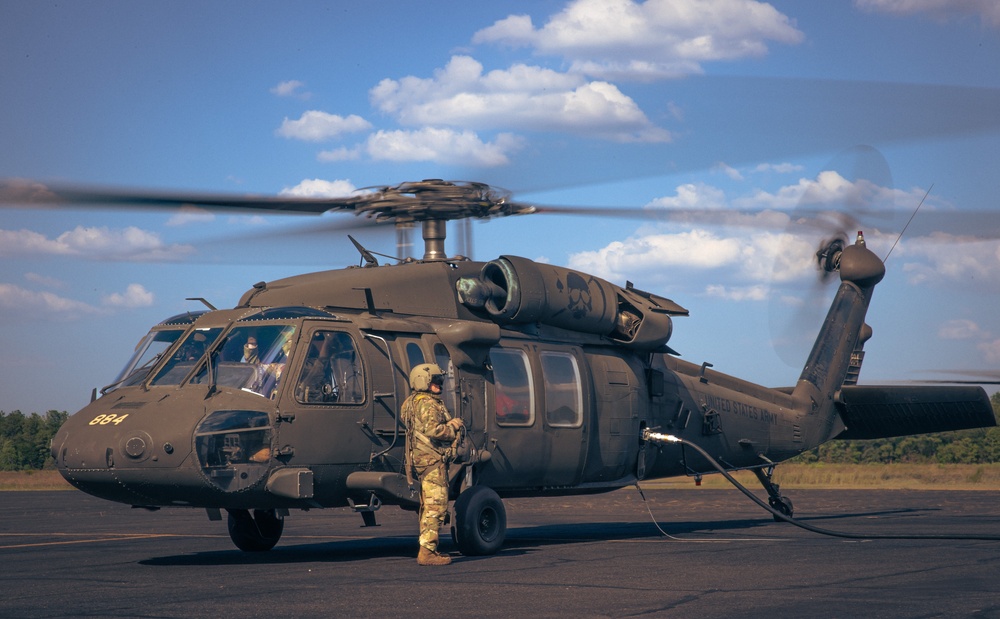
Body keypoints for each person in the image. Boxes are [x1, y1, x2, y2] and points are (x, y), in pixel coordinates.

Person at [401, 363, 463, 566]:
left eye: (440, 380)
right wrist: (452, 427)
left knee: (427, 505)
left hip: (421, 460)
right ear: (423, 382)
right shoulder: (428, 404)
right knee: (436, 505)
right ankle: (427, 551)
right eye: (435, 381)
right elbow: (434, 431)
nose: (439, 384)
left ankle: (427, 547)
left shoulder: (410, 403)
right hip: (432, 460)